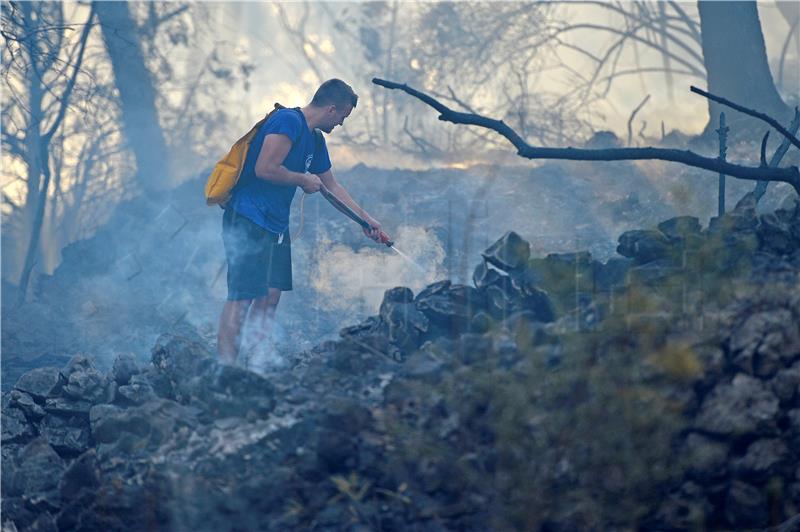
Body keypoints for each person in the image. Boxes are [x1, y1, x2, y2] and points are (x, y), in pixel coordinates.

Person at [217, 79, 382, 365]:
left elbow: (331, 186)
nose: (341, 124)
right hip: (247, 218)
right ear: (332, 109)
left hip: (276, 226)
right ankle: (225, 369)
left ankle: (259, 363)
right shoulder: (287, 121)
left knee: (269, 298)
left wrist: (366, 221)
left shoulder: (316, 140)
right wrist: (301, 179)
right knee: (242, 298)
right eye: (343, 117)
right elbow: (265, 168)